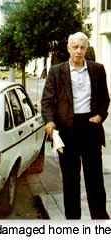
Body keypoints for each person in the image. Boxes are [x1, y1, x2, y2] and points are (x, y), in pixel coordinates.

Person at [41, 32, 110, 219]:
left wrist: (100, 116)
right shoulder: (56, 72)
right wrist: (50, 121)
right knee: (70, 181)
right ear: (68, 48)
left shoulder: (97, 69)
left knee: (95, 180)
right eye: (75, 47)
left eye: (82, 47)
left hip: (90, 128)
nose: (79, 51)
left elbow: (105, 99)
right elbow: (47, 101)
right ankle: (73, 224)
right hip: (66, 131)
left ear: (87, 49)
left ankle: (101, 222)